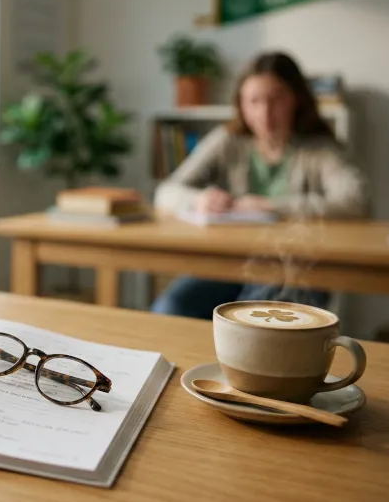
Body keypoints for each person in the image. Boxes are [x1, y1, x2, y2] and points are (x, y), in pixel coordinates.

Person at [150, 51, 368, 319]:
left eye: (276, 99)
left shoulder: (319, 150)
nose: (265, 113)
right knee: (169, 309)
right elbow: (166, 191)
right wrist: (199, 199)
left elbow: (356, 200)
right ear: (241, 105)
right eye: (254, 101)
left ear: (296, 99)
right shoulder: (227, 140)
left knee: (254, 320)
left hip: (295, 269)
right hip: (228, 263)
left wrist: (270, 206)